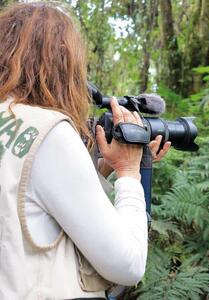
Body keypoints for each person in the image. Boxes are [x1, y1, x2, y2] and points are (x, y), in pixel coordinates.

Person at [0, 2, 170, 299]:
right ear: (63, 62)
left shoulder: (11, 120)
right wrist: (129, 173)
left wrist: (104, 167)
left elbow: (30, 202)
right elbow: (127, 266)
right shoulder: (50, 132)